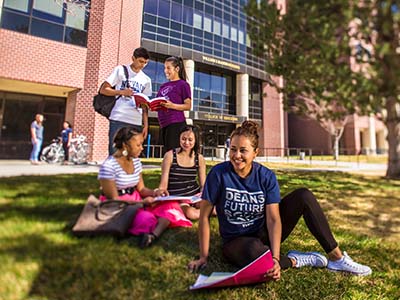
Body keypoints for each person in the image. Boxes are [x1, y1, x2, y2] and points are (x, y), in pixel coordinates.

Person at [188, 121, 372, 278]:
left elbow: (274, 219)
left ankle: (337, 259)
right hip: (237, 241)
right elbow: (203, 216)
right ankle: (294, 260)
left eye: (243, 150)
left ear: (255, 152)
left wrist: (275, 257)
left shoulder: (266, 176)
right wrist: (203, 257)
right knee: (256, 254)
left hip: (263, 233)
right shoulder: (218, 174)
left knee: (303, 195)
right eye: (233, 149)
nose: (237, 155)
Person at [98, 127, 192, 248]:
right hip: (118, 205)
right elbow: (114, 199)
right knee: (147, 219)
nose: (142, 148)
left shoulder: (136, 162)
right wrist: (142, 202)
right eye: (138, 145)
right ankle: (155, 231)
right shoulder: (109, 166)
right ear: (126, 145)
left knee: (172, 205)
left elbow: (142, 189)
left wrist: (156, 192)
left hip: (137, 200)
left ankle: (152, 235)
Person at [99, 47, 152, 155]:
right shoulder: (120, 70)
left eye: (145, 63)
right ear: (133, 58)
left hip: (136, 121)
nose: (142, 65)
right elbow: (103, 90)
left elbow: (145, 106)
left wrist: (146, 125)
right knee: (116, 153)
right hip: (119, 118)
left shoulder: (146, 80)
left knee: (133, 155)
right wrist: (122, 92)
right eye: (141, 61)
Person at [159, 125, 206, 220]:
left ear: (195, 140)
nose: (186, 143)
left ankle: (207, 210)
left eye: (190, 140)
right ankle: (205, 212)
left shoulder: (199, 158)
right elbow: (163, 185)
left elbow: (203, 185)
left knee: (209, 205)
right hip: (177, 198)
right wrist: (161, 191)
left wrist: (204, 197)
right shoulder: (170, 155)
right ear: (179, 138)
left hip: (194, 196)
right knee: (190, 213)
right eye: (183, 139)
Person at [156, 56, 191, 154]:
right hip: (163, 124)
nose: (165, 71)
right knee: (167, 154)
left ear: (177, 69)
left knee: (173, 154)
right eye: (164, 68)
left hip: (176, 123)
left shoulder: (183, 85)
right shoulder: (163, 86)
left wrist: (172, 106)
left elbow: (188, 106)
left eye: (168, 68)